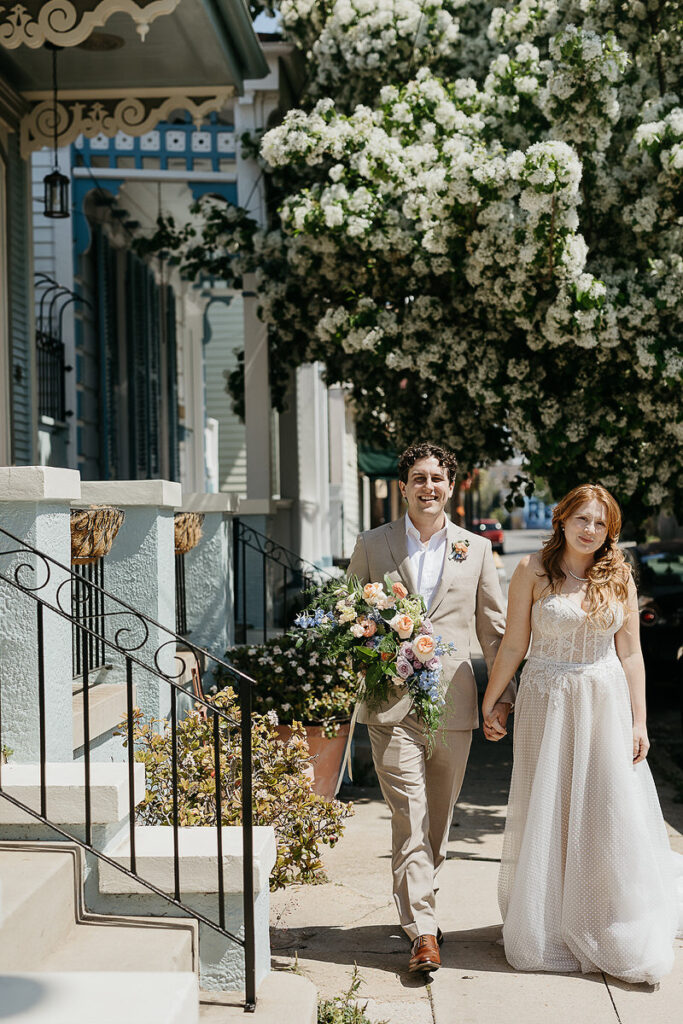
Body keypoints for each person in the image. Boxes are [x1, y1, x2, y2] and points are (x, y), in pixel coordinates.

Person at [482, 483, 683, 983]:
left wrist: (639, 721)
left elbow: (631, 654)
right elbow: (513, 645)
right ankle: (547, 919)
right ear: (562, 520)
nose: (591, 530)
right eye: (583, 519)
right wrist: (493, 697)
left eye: (601, 524)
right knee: (548, 806)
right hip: (546, 701)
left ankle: (607, 917)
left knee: (604, 806)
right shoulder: (530, 571)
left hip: (604, 701)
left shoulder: (618, 576)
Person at [348, 442, 515, 973]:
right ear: (403, 487)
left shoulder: (477, 549)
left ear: (450, 486)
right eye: (418, 478)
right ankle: (423, 930)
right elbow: (349, 620)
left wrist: (502, 697)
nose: (428, 487)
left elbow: (494, 632)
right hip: (390, 706)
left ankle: (420, 905)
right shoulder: (372, 545)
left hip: (454, 703)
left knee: (437, 823)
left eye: (437, 478)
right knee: (410, 817)